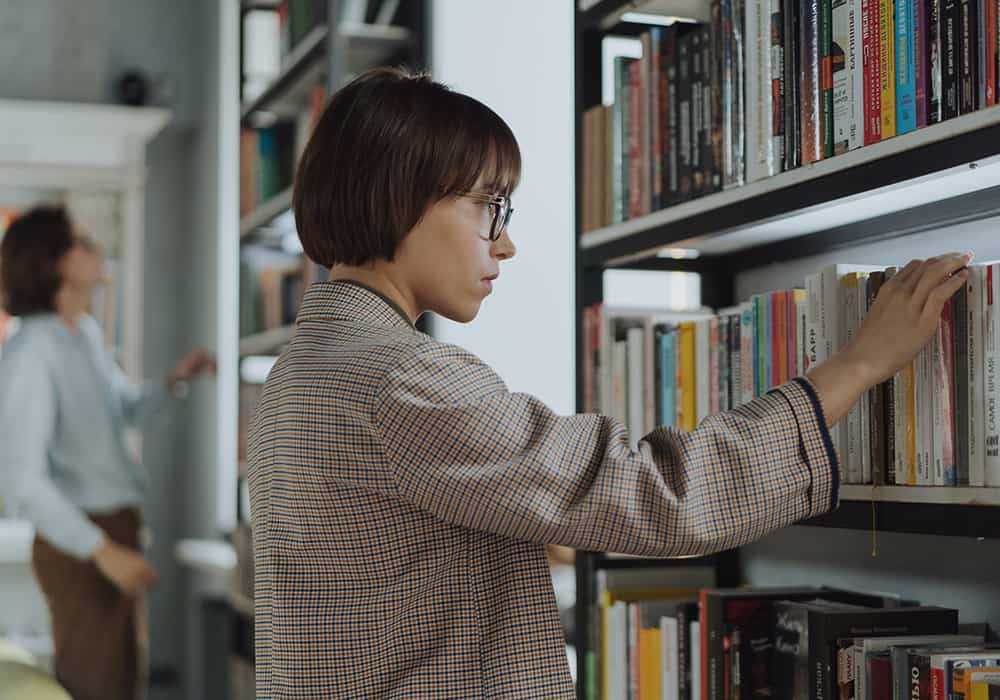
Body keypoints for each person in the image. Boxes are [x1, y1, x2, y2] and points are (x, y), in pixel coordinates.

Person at [246, 67, 970, 699]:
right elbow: (654, 494)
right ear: (400, 196)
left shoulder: (300, 372)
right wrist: (856, 366)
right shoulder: (402, 380)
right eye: (486, 206)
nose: (506, 241)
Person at [0, 206, 215, 700]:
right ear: (53, 263)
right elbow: (21, 481)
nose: (94, 248)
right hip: (82, 542)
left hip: (114, 528)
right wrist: (102, 551)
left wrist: (175, 383)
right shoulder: (30, 353)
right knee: (95, 687)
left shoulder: (86, 336)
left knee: (121, 683)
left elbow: (122, 408)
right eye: (79, 242)